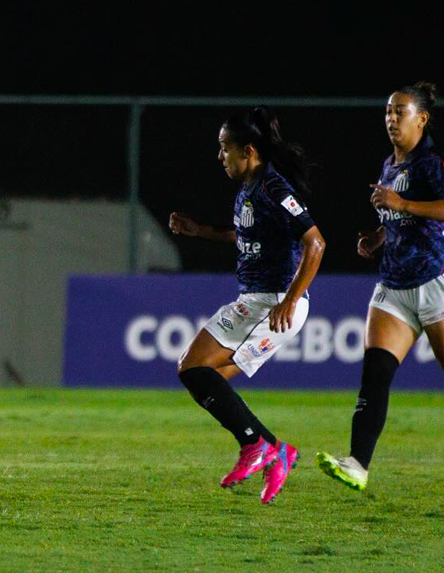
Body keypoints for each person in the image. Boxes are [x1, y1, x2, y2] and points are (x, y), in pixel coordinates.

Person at [168, 106, 325, 504]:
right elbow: (249, 237)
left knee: (203, 372)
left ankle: (259, 447)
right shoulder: (248, 189)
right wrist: (199, 230)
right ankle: (274, 449)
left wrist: (290, 299)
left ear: (248, 150)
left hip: (274, 304)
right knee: (196, 371)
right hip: (251, 300)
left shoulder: (274, 187)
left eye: (225, 148)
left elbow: (316, 243)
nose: (220, 157)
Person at [317, 81, 440, 491]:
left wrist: (401, 204)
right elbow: (400, 218)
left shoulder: (432, 163)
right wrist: (378, 237)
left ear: (421, 119)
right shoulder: (390, 165)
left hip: (435, 283)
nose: (391, 118)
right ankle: (357, 463)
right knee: (375, 373)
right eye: (388, 111)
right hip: (394, 287)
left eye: (399, 111)